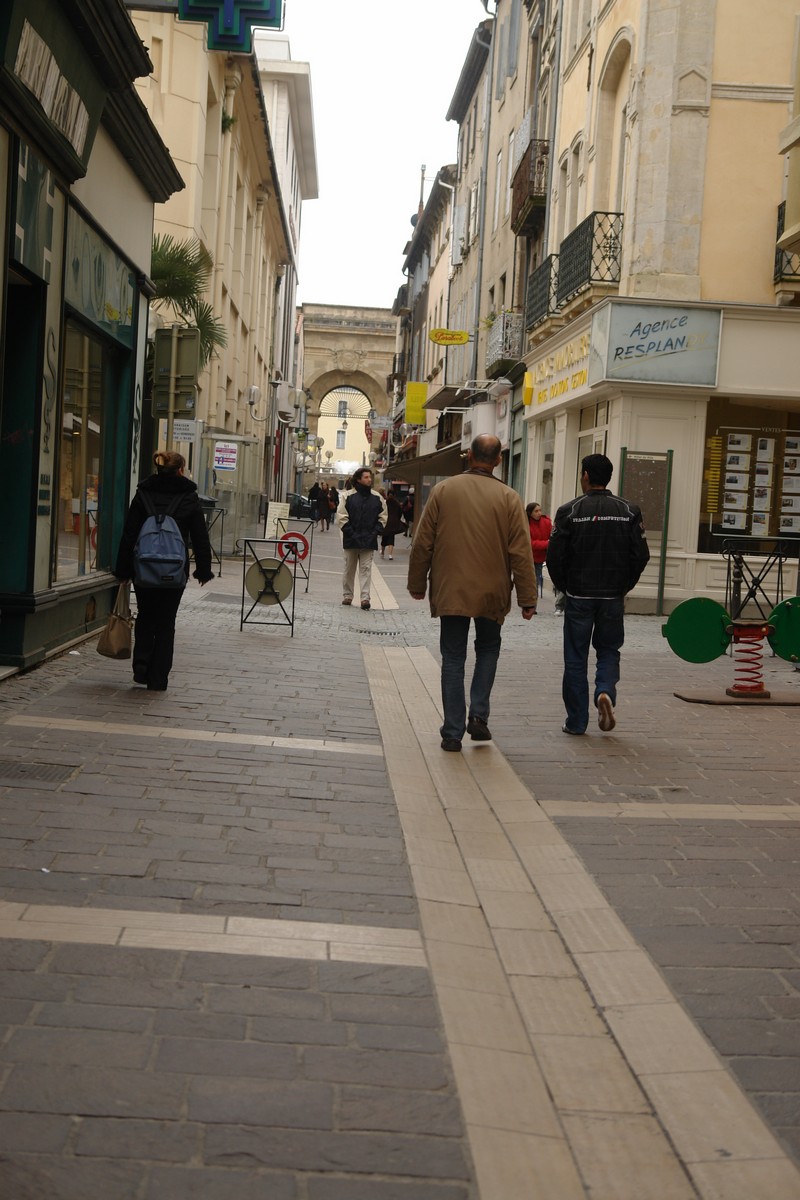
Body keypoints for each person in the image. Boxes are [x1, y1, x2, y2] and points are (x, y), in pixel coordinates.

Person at [408, 434, 537, 752]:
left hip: (451, 588)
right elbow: (521, 552)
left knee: (453, 657)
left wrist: (417, 583)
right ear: (498, 460)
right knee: (488, 649)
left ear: (468, 455)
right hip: (492, 591)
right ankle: (478, 716)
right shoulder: (509, 497)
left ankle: (452, 732)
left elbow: (423, 541)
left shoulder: (443, 490)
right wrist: (527, 598)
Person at [546, 452, 650, 736]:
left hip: (579, 595)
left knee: (575, 657)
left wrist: (565, 586)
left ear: (586, 476)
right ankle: (604, 691)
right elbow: (640, 555)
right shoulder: (629, 511)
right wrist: (624, 585)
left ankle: (576, 721)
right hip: (612, 596)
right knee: (609, 649)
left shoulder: (569, 511)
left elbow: (554, 557)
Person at [114, 450, 213, 691]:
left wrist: (123, 569)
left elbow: (129, 533)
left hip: (144, 569)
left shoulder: (143, 494)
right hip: (174, 571)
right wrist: (203, 570)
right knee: (167, 622)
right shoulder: (189, 497)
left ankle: (141, 667)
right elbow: (200, 536)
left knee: (146, 616)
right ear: (180, 470)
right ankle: (158, 678)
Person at [336, 466, 387, 610]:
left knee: (366, 569)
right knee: (349, 569)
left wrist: (375, 532)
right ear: (358, 479)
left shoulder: (377, 498)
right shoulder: (347, 496)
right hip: (351, 539)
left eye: (370, 477)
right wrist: (351, 533)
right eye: (366, 477)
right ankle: (348, 595)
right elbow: (341, 516)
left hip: (368, 540)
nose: (369, 479)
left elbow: (383, 517)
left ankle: (365, 598)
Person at [526, 501, 552, 602]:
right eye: (536, 511)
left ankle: (532, 602)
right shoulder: (526, 524)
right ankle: (531, 602)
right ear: (530, 513)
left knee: (535, 580)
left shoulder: (546, 522)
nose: (539, 513)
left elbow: (552, 537)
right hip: (528, 557)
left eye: (540, 510)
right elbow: (529, 543)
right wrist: (547, 543)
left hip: (540, 557)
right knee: (531, 582)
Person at [380, 489, 405, 560]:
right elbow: (400, 512)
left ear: (388, 494)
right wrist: (397, 519)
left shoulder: (385, 502)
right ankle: (390, 555)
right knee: (391, 538)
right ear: (394, 495)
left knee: (384, 538)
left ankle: (382, 553)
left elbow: (381, 511)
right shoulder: (397, 503)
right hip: (393, 523)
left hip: (386, 522)